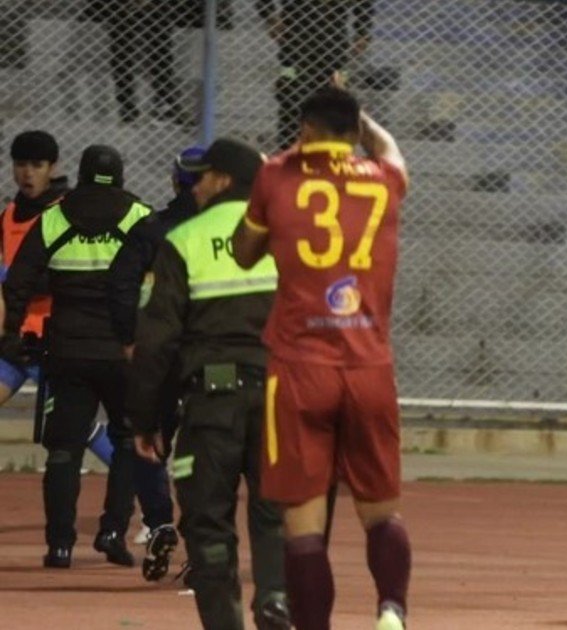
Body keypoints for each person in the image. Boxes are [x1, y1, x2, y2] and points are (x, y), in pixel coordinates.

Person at [231, 86, 411, 630]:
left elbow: (244, 254)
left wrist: (284, 163)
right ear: (356, 133)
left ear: (305, 130)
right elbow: (392, 151)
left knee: (303, 522)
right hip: (368, 365)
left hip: (299, 367)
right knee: (380, 509)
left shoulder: (276, 176)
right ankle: (391, 609)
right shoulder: (384, 180)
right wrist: (368, 125)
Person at [129, 138, 288, 629]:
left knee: (208, 517)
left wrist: (148, 419)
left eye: (202, 177)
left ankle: (225, 621)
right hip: (282, 399)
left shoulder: (185, 240)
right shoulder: (288, 236)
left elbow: (156, 342)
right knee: (276, 509)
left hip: (213, 400)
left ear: (222, 180)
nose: (194, 187)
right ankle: (276, 598)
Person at [2, 145, 151, 568]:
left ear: (80, 176)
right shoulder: (140, 218)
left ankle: (60, 546)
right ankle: (112, 533)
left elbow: (17, 284)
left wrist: (11, 337)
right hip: (124, 352)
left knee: (63, 451)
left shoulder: (55, 217)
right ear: (120, 176)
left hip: (66, 350)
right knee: (125, 444)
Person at [108, 145, 207, 578]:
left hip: (157, 355)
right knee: (206, 454)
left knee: (146, 439)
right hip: (207, 358)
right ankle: (201, 543)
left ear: (174, 181)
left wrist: (129, 339)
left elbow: (120, 285)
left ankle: (160, 520)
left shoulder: (150, 230)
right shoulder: (224, 233)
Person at [254, 0, 376, 150]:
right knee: (289, 88)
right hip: (294, 46)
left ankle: (333, 147)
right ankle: (289, 148)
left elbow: (365, 5)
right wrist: (270, 16)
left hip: (335, 46)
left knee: (340, 92)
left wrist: (362, 31)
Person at [84, 0, 186, 124]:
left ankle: (165, 102)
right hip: (121, 7)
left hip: (156, 7)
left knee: (160, 54)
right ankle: (127, 106)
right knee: (122, 54)